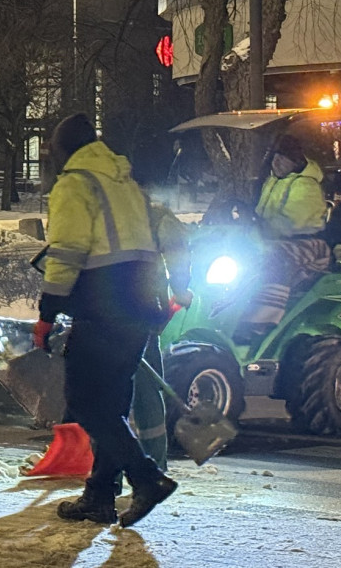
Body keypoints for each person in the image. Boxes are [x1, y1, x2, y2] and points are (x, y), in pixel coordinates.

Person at [33, 113, 177, 528]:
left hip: (102, 309)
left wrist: (46, 314)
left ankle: (147, 478)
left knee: (85, 402)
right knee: (112, 405)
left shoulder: (75, 184)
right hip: (138, 308)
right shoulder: (123, 182)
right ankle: (99, 496)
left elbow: (67, 253)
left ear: (64, 151)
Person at [232, 134, 331, 345]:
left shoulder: (306, 186)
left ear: (296, 162)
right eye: (275, 157)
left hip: (306, 244)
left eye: (282, 158)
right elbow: (263, 218)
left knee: (274, 259)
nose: (276, 162)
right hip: (274, 241)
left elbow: (293, 224)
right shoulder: (273, 181)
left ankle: (262, 322)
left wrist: (256, 222)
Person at [134, 187, 193, 471]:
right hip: (142, 308)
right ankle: (152, 463)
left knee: (134, 388)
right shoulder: (155, 217)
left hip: (121, 309)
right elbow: (178, 251)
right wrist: (181, 289)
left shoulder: (104, 211)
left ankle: (143, 465)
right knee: (144, 385)